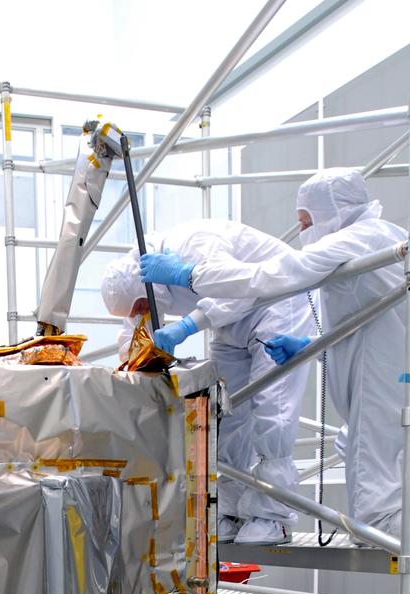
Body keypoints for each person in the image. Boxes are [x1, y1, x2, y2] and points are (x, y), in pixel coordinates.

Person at [141, 170, 407, 539]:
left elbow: (267, 276)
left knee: (366, 469)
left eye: (306, 221)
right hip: (378, 362)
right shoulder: (375, 238)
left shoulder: (357, 240)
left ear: (335, 210)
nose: (302, 232)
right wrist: (313, 344)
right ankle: (372, 534)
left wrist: (191, 274)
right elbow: (365, 315)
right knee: (356, 447)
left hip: (383, 370)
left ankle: (380, 538)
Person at [103, 221, 314, 546]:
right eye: (138, 308)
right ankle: (228, 510)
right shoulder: (138, 282)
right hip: (228, 323)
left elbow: (241, 287)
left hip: (275, 304)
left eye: (142, 305)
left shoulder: (195, 241)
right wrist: (130, 359)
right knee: (225, 412)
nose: (143, 312)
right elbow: (132, 326)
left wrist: (185, 327)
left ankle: (274, 516)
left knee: (273, 408)